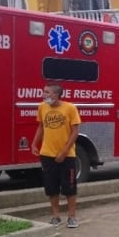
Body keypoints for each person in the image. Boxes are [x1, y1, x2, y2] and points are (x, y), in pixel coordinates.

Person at [31, 82, 82, 228]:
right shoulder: (42, 107)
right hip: (47, 154)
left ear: (56, 94)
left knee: (69, 187)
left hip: (67, 155)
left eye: (47, 92)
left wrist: (64, 152)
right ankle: (55, 216)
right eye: (44, 92)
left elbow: (75, 132)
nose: (44, 95)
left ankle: (71, 217)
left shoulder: (70, 108)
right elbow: (41, 126)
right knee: (51, 187)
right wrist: (35, 143)